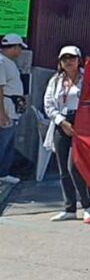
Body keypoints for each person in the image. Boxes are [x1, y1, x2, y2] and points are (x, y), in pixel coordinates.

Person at [43, 46, 90, 223]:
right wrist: (61, 121)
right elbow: (49, 104)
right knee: (63, 169)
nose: (68, 61)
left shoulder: (87, 78)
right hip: (61, 122)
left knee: (75, 166)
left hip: (82, 123)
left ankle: (88, 206)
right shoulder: (56, 80)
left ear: (79, 60)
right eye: (65, 58)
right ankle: (69, 208)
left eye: (72, 58)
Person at [0, 34, 27, 184]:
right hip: (6, 108)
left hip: (12, 107)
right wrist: (2, 114)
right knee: (3, 142)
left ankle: (3, 171)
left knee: (8, 143)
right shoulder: (2, 62)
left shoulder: (8, 62)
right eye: (20, 48)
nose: (20, 51)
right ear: (15, 47)